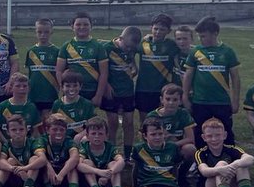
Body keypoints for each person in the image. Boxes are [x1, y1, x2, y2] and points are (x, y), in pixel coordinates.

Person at [182, 16, 240, 145]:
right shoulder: (196, 52)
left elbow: (235, 77)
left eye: (203, 36)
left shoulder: (227, 51)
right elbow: (188, 75)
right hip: (200, 101)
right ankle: (200, 161)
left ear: (215, 34)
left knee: (225, 132)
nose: (201, 39)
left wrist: (235, 100)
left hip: (221, 101)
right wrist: (185, 96)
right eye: (199, 36)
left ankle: (229, 160)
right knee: (199, 133)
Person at [133, 117, 202, 187]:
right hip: (148, 183)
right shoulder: (139, 149)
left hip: (168, 183)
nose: (157, 137)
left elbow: (175, 167)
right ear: (145, 136)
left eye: (160, 134)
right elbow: (136, 168)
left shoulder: (172, 148)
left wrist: (176, 182)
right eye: (153, 134)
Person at [55, 11, 108, 108]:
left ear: (91, 26)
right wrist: (64, 89)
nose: (82, 27)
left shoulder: (98, 47)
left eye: (86, 24)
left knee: (89, 121)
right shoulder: (66, 46)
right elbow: (59, 71)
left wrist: (98, 95)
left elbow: (104, 73)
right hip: (72, 91)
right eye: (78, 24)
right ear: (72, 26)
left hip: (91, 91)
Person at [103, 26, 142, 158]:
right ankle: (112, 153)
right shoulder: (107, 48)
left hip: (128, 91)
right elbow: (100, 69)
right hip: (112, 92)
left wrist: (134, 67)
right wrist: (106, 85)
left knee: (129, 122)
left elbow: (132, 59)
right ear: (120, 38)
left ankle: (127, 154)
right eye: (127, 46)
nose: (129, 49)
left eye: (132, 48)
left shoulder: (133, 47)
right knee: (113, 123)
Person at [147, 84, 197, 186]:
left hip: (176, 146)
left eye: (175, 100)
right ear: (162, 100)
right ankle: (153, 178)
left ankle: (182, 176)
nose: (171, 103)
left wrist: (173, 145)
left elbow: (190, 138)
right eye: (168, 99)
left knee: (190, 149)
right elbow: (146, 138)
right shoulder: (153, 116)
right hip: (158, 148)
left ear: (180, 101)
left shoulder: (183, 114)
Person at [135, 14, 180, 126]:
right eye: (155, 29)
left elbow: (188, 49)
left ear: (168, 31)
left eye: (162, 29)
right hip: (143, 89)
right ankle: (145, 142)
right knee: (145, 121)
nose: (158, 32)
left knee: (162, 121)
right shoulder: (142, 43)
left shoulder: (172, 45)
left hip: (163, 90)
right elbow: (126, 50)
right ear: (151, 28)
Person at [0, 115, 42, 187]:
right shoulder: (7, 144)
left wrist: (25, 168)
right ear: (8, 132)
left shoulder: (32, 142)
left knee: (35, 159)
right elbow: (0, 161)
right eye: (14, 130)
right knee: (9, 161)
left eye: (21, 129)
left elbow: (42, 160)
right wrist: (14, 169)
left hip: (31, 179)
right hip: (14, 177)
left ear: (26, 130)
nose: (18, 132)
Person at [75, 116, 126, 187]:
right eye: (93, 133)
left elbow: (121, 161)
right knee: (86, 163)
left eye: (100, 134)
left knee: (114, 164)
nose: (97, 136)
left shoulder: (110, 147)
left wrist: (109, 174)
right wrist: (99, 172)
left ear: (106, 135)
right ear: (87, 136)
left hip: (108, 181)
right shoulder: (85, 147)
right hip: (90, 183)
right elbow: (78, 165)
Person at [31, 113, 81, 187]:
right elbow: (41, 155)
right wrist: (49, 167)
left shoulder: (69, 140)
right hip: (48, 173)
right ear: (47, 130)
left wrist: (61, 174)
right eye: (54, 129)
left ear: (66, 130)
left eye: (61, 130)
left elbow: (75, 157)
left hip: (63, 174)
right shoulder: (42, 140)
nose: (58, 132)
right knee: (43, 164)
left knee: (72, 166)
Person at [24, 18, 60, 122]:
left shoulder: (57, 51)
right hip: (34, 94)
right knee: (36, 121)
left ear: (51, 32)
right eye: (39, 32)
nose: (43, 35)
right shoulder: (31, 51)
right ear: (35, 32)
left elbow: (60, 72)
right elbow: (28, 74)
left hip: (50, 94)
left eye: (46, 32)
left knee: (48, 121)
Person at [51, 70, 97, 144]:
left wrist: (80, 135)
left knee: (86, 139)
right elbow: (53, 126)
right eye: (68, 86)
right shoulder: (57, 104)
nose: (71, 89)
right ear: (62, 87)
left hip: (80, 139)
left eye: (75, 86)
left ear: (80, 86)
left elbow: (93, 125)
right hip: (64, 140)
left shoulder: (87, 104)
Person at [0, 73, 42, 139]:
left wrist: (28, 144)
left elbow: (35, 131)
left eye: (25, 86)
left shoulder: (32, 107)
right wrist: (5, 142)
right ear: (11, 88)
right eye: (18, 86)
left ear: (29, 88)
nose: (22, 88)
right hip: (6, 143)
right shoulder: (3, 106)